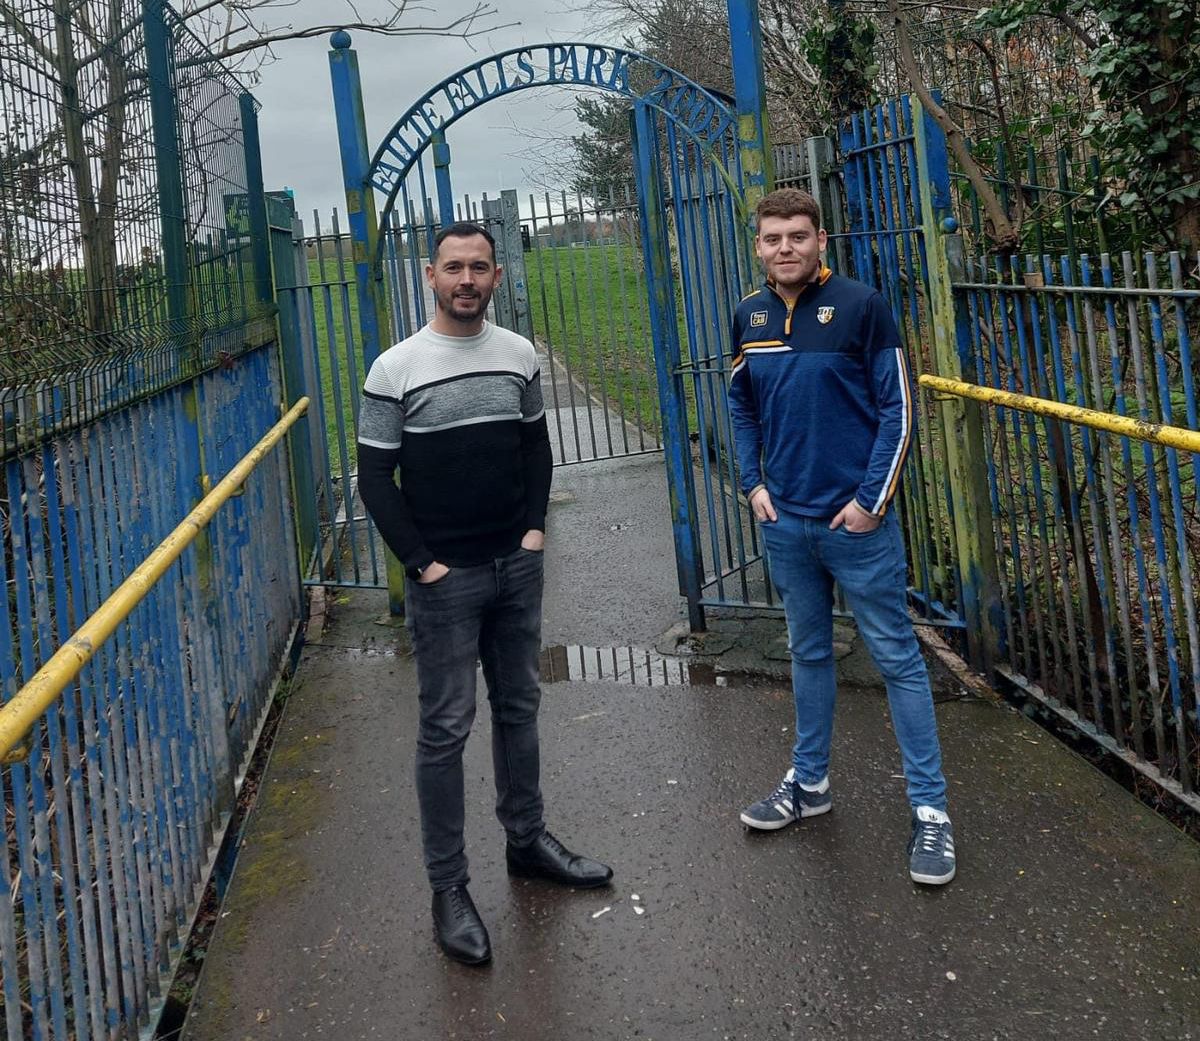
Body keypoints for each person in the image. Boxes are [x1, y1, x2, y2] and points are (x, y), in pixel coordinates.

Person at [356, 222, 613, 966]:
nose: (466, 279)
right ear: (430, 276)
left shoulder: (517, 355)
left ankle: (527, 843)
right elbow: (375, 476)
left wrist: (535, 532)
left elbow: (535, 444)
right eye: (453, 268)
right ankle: (449, 887)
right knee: (444, 729)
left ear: (497, 276)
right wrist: (423, 564)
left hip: (515, 566)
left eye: (479, 267)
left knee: (519, 707)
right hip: (446, 580)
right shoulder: (396, 367)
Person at [727, 188, 956, 886]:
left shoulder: (861, 305)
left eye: (798, 235)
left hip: (855, 526)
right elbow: (740, 404)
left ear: (822, 240)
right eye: (773, 238)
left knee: (897, 658)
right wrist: (751, 484)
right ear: (759, 244)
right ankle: (810, 783)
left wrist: (869, 503)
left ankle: (931, 813)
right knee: (809, 652)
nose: (785, 247)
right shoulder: (749, 315)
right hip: (787, 524)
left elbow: (899, 407)